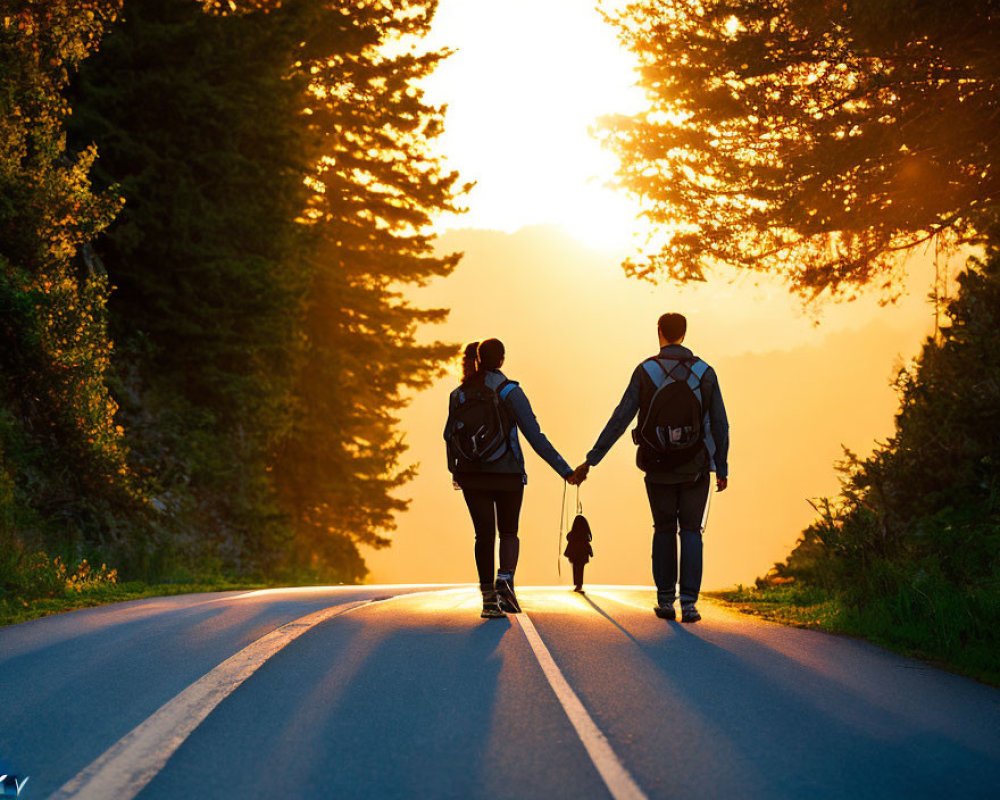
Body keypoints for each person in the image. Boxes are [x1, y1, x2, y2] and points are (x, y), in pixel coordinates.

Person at [571, 313, 729, 623]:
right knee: (692, 532)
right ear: (684, 333)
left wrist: (592, 458)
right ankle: (690, 603)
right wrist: (721, 465)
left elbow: (621, 418)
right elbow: (720, 423)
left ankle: (666, 600)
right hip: (695, 466)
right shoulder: (704, 372)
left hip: (657, 466)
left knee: (664, 529)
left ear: (659, 332)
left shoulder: (646, 371)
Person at [445, 338, 576, 618]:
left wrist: (455, 470)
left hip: (472, 475)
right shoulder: (510, 392)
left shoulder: (459, 395)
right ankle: (505, 579)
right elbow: (535, 436)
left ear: (478, 359)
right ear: (502, 360)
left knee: (483, 535)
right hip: (508, 473)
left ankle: (488, 600)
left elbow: (449, 436)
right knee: (508, 532)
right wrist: (565, 470)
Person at [564, 513, 593, 593]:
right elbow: (587, 544)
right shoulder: (584, 535)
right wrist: (590, 552)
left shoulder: (573, 534)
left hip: (575, 555)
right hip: (582, 556)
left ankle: (577, 584)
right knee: (580, 569)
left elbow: (568, 538)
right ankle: (579, 584)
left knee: (576, 568)